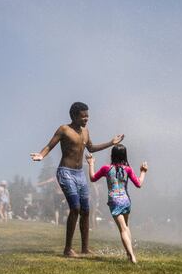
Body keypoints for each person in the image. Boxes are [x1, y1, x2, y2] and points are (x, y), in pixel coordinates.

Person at [30, 102, 124, 257]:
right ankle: (67, 249)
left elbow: (91, 148)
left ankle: (85, 248)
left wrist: (111, 143)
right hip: (65, 172)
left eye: (87, 116)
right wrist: (41, 155)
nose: (86, 119)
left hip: (80, 174)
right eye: (83, 116)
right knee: (75, 208)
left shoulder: (86, 131)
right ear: (73, 116)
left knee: (86, 211)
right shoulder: (64, 129)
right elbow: (49, 146)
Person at [85, 144, 148, 263]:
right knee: (126, 227)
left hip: (115, 201)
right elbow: (139, 184)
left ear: (112, 155)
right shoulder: (127, 169)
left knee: (123, 229)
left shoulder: (106, 169)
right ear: (125, 156)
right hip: (126, 200)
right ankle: (130, 254)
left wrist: (91, 163)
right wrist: (143, 172)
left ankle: (131, 256)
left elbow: (93, 178)